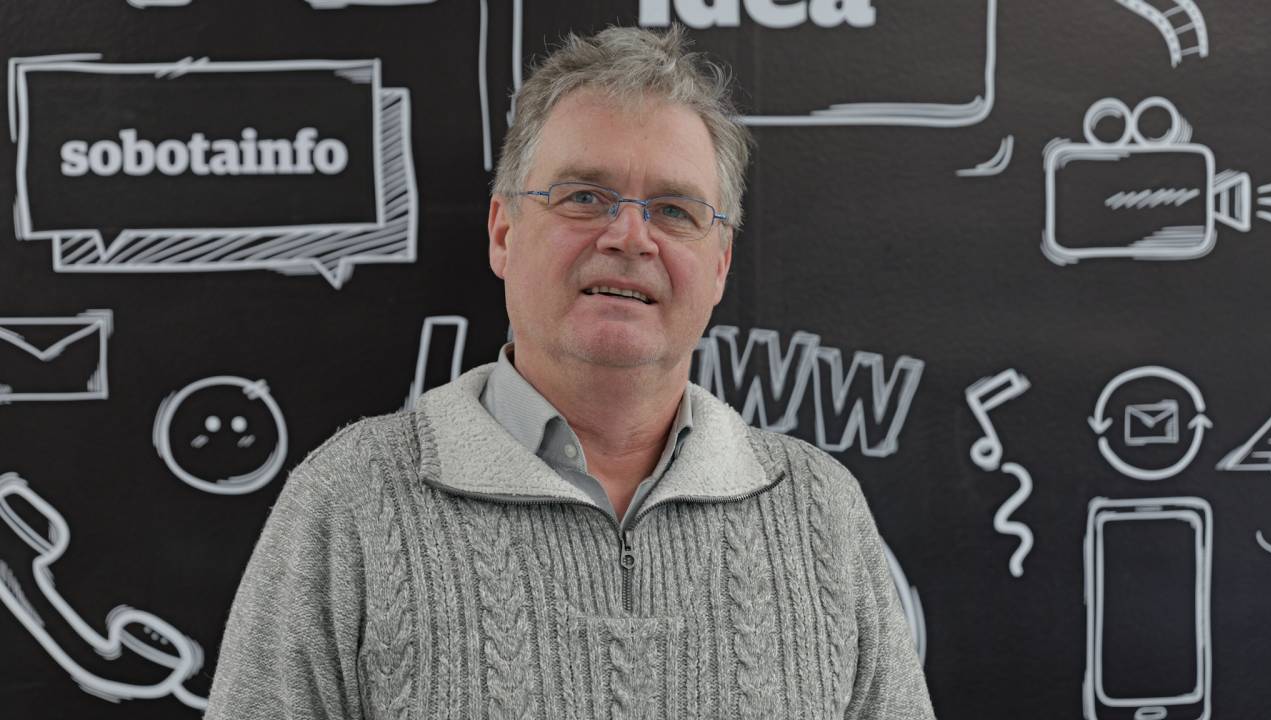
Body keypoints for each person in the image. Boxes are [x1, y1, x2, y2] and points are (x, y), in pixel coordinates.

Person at [205, 25, 935, 719]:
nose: (630, 237)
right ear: (503, 232)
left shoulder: (820, 512)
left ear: (719, 265)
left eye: (674, 210)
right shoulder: (348, 500)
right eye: (585, 197)